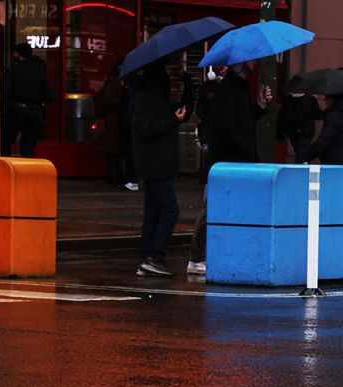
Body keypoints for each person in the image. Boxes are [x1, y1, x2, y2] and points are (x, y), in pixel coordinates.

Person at [188, 60, 273, 276]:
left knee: (226, 209)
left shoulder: (239, 88)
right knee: (213, 209)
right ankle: (197, 258)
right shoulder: (228, 90)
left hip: (234, 160)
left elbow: (243, 121)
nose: (255, 63)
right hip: (226, 162)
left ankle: (211, 255)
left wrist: (260, 105)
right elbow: (228, 129)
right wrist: (248, 152)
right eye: (251, 60)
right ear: (240, 63)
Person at [127, 63, 188, 278]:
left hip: (155, 163)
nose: (170, 81)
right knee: (170, 210)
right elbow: (146, 128)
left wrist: (188, 87)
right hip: (156, 163)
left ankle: (147, 258)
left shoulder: (153, 98)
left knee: (153, 213)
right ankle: (154, 256)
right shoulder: (146, 99)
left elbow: (179, 111)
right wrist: (173, 120)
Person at [2, 43, 53, 157]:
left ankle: (6, 168)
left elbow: (4, 92)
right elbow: (48, 94)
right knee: (28, 147)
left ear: (18, 54)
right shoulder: (39, 71)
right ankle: (27, 170)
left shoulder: (13, 70)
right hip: (33, 112)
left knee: (6, 142)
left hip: (15, 111)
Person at [297, 93, 343, 165]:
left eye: (327, 97)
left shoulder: (334, 116)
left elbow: (324, 141)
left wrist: (305, 156)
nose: (325, 100)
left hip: (335, 161)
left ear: (334, 99)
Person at [97, 64, 127, 182]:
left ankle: (115, 174)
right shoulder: (115, 81)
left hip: (115, 117)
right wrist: (122, 102)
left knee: (116, 147)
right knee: (114, 147)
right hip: (114, 117)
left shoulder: (116, 80)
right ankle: (114, 174)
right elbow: (106, 98)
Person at [277, 92, 321, 159]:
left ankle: (302, 165)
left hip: (293, 131)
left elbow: (282, 117)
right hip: (306, 131)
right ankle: (303, 166)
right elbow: (317, 115)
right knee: (302, 154)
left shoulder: (288, 99)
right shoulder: (310, 99)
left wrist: (280, 136)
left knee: (299, 152)